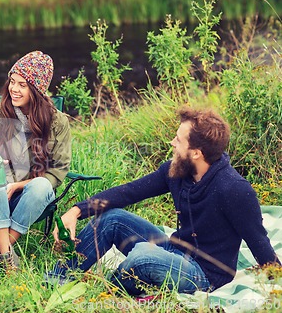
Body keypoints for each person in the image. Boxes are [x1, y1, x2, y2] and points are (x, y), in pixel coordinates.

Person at [48, 107, 280, 295]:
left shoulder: (235, 189)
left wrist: (275, 279)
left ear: (197, 152)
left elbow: (258, 242)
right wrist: (77, 210)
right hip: (173, 249)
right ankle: (55, 281)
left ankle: (107, 290)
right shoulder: (177, 171)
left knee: (143, 256)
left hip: (204, 274)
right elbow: (129, 192)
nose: (172, 143)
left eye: (178, 140)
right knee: (112, 219)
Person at [0, 51, 71, 270]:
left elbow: (57, 172)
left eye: (22, 85)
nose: (14, 89)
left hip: (31, 197)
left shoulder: (57, 122)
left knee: (41, 184)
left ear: (37, 90)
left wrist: (18, 185)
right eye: (12, 81)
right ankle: (8, 259)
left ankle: (1, 249)